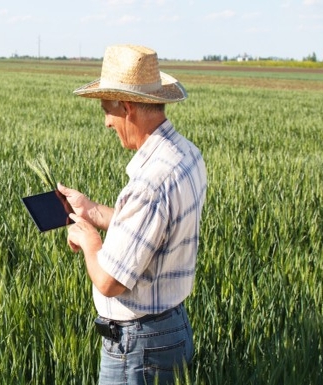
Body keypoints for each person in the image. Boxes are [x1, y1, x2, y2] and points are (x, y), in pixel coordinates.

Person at [57, 44, 207, 384]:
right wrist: (92, 210)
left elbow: (110, 282)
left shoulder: (149, 184)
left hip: (139, 348)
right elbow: (155, 228)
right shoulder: (187, 155)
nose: (107, 124)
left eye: (107, 112)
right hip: (172, 328)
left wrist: (90, 240)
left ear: (127, 108)